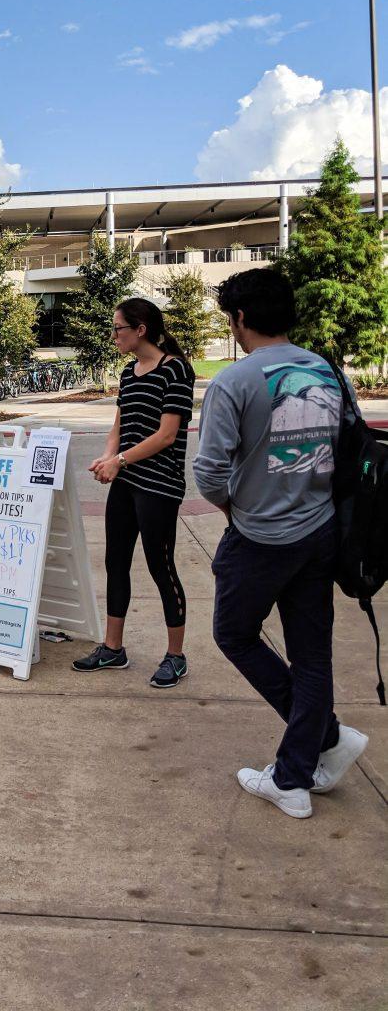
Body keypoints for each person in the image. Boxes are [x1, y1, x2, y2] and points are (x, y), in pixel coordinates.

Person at [194, 268, 368, 819]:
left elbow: (208, 472)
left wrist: (232, 510)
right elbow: (349, 449)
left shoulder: (234, 380)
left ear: (239, 318)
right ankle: (303, 764)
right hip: (319, 530)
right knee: (312, 657)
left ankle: (316, 750)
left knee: (234, 633)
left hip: (261, 536)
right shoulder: (324, 369)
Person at [73, 297, 195, 688]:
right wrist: (107, 456)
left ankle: (176, 655)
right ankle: (113, 647)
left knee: (161, 567)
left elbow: (167, 435)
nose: (114, 337)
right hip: (126, 484)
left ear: (140, 330)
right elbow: (119, 425)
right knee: (116, 561)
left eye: (118, 329)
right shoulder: (129, 372)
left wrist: (120, 461)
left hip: (159, 484)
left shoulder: (175, 369)